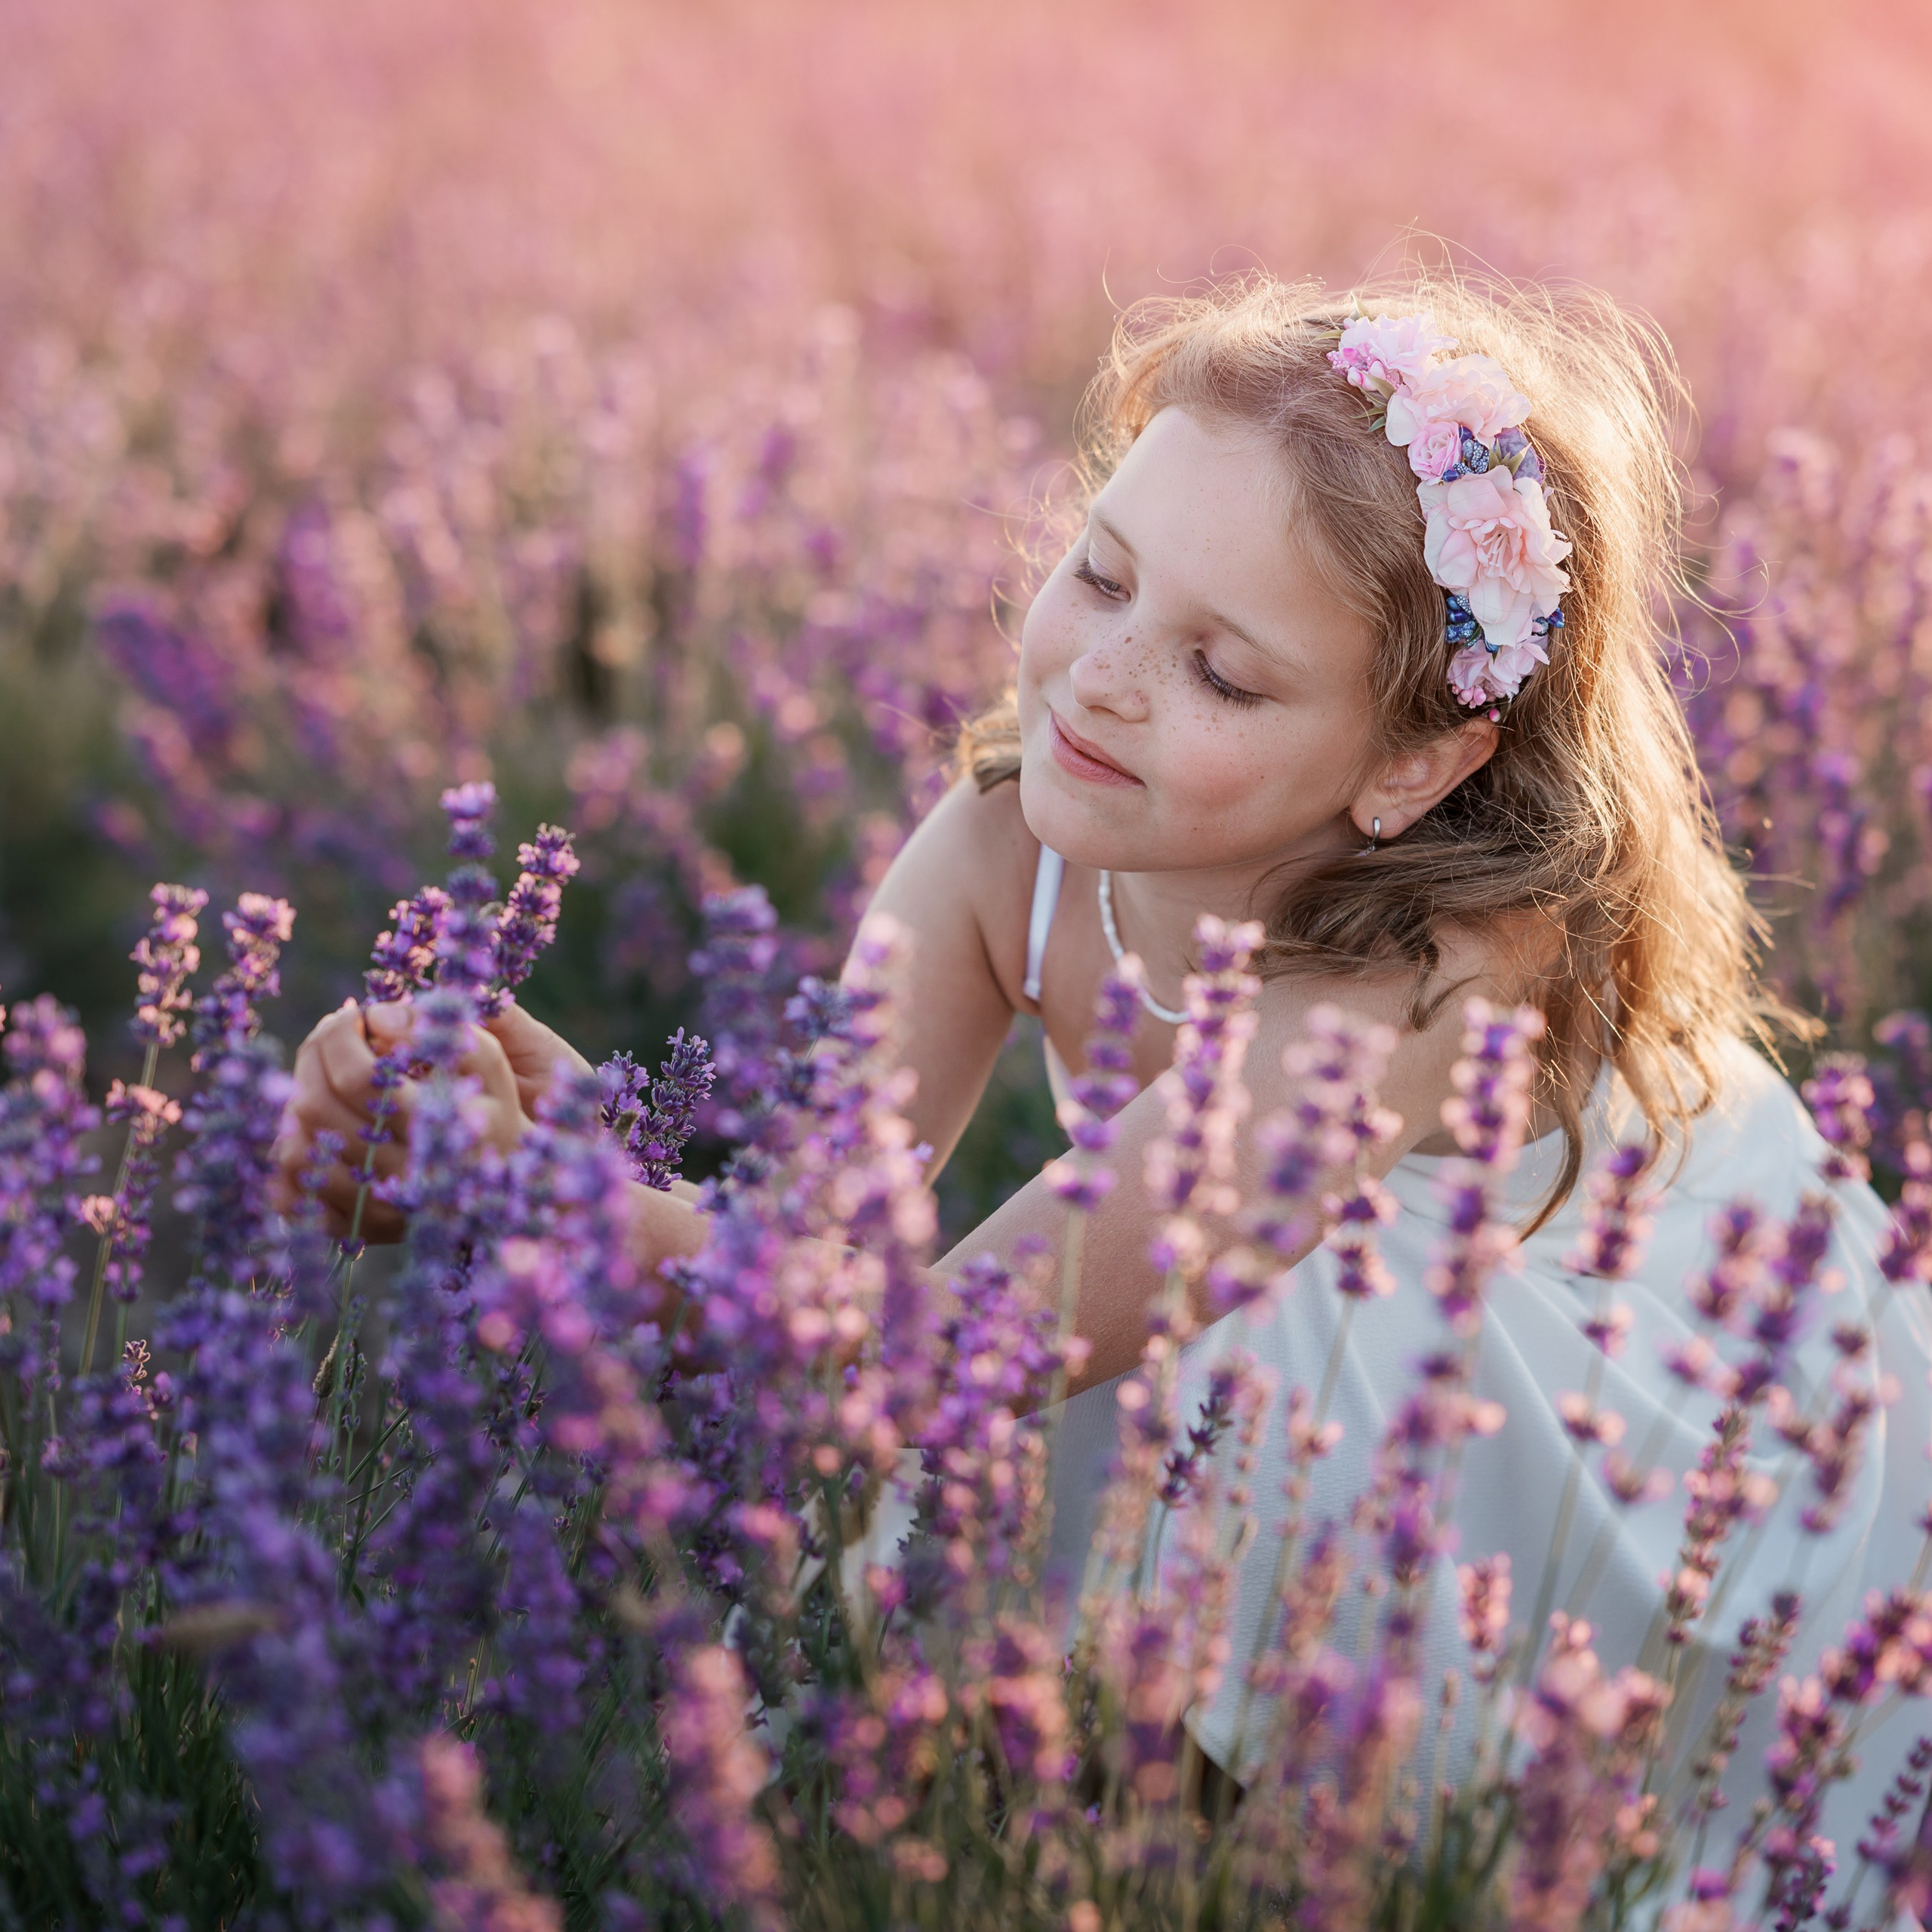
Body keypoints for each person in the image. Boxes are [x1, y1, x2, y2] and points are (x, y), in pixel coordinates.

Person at [275, 272, 1932, 1875]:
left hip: (1621, 1436)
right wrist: (543, 1129)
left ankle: (1276, 1834)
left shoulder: (1421, 979)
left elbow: (963, 1343)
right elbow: (823, 1258)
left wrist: (559, 1200)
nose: (1101, 672)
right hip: (1281, 1366)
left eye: (1222, 669)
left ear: (1412, 763)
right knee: (1148, 1390)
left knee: (1215, 1353)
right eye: (1101, 570)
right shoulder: (1009, 841)